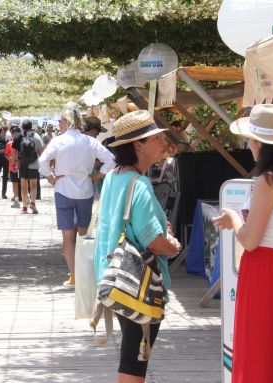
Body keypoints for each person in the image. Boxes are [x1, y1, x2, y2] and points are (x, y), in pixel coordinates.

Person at [94, 110, 181, 382]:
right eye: (155, 138)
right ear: (138, 146)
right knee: (135, 357)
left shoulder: (113, 177)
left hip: (114, 276)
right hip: (138, 282)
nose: (162, 143)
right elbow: (153, 242)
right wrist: (174, 247)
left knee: (132, 351)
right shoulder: (140, 184)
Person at [212, 104, 273, 383]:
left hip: (265, 272)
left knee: (260, 350)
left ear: (259, 142)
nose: (247, 144)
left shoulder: (268, 182)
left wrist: (234, 218)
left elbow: (250, 241)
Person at [39, 108, 115, 288]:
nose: (59, 124)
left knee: (67, 234)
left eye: (60, 121)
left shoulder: (58, 141)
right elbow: (111, 159)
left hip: (63, 188)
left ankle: (73, 275)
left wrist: (49, 177)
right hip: (85, 190)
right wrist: (98, 176)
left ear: (66, 122)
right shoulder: (89, 141)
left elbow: (42, 161)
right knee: (84, 234)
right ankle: (85, 273)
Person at [12, 120, 43, 214]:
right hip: (34, 163)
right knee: (33, 184)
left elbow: (14, 153)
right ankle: (33, 203)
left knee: (24, 185)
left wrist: (14, 164)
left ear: (21, 127)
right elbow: (41, 151)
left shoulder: (18, 136)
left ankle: (24, 207)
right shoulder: (36, 136)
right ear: (31, 126)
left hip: (22, 164)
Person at [5, 126, 21, 208]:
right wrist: (11, 159)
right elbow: (6, 154)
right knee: (15, 183)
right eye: (12, 132)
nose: (14, 134)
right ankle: (16, 200)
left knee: (24, 182)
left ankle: (27, 199)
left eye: (15, 132)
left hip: (22, 166)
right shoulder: (9, 143)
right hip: (13, 167)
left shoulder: (22, 141)